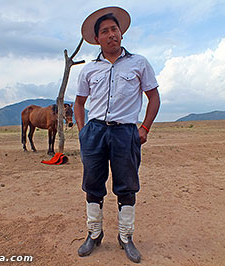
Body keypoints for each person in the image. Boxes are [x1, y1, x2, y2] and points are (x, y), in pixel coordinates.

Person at [74, 6, 160, 263]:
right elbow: (79, 103)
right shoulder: (88, 70)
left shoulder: (139, 63)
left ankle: (126, 237)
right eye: (105, 31)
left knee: (127, 186)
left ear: (121, 34)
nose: (111, 34)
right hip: (96, 132)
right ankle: (94, 233)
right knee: (92, 185)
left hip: (125, 133)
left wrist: (144, 128)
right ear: (97, 39)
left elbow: (153, 97)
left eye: (115, 29)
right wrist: (83, 131)